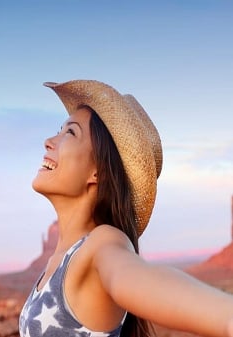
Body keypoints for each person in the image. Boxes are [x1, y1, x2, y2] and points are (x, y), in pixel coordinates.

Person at [18, 80, 233, 337]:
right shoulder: (61, 260)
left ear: (98, 171)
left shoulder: (101, 245)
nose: (48, 141)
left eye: (70, 133)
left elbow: (135, 276)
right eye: (59, 130)